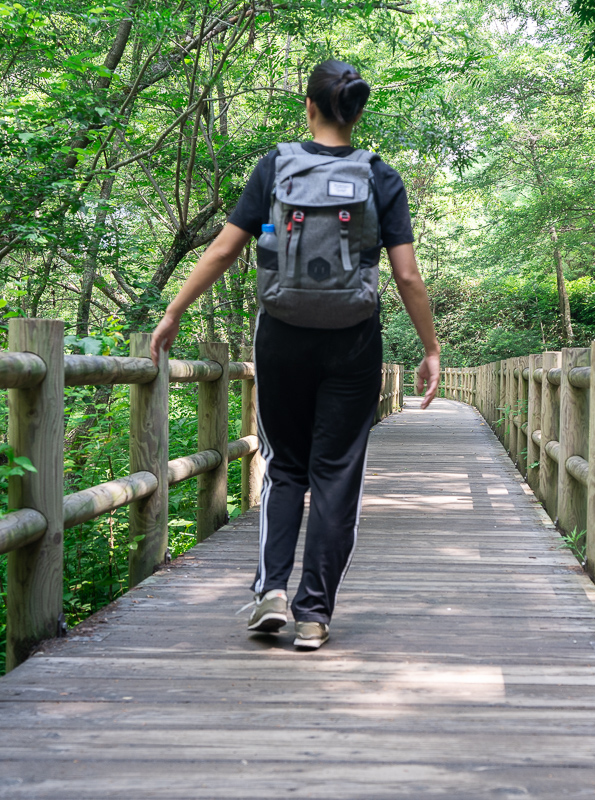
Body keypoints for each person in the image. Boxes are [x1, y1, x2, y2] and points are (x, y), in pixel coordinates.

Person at [150, 59, 441, 651]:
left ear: (308, 108)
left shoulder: (277, 167)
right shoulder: (381, 177)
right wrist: (431, 348)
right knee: (336, 475)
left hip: (281, 334)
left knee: (285, 467)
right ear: (357, 112)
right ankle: (313, 615)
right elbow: (408, 277)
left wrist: (175, 309)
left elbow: (225, 249)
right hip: (354, 340)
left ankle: (271, 592)